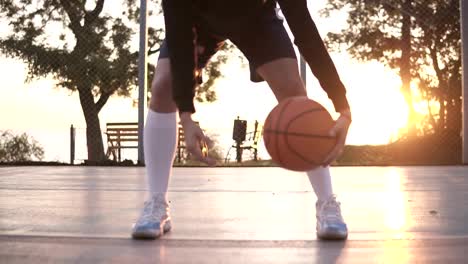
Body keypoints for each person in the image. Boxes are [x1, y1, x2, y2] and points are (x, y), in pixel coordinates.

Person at [131, 0, 352, 240]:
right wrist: (186, 115)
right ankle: (156, 201)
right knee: (164, 85)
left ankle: (327, 202)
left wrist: (342, 105)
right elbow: (179, 36)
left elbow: (304, 28)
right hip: (200, 21)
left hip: (256, 18)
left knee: (292, 91)